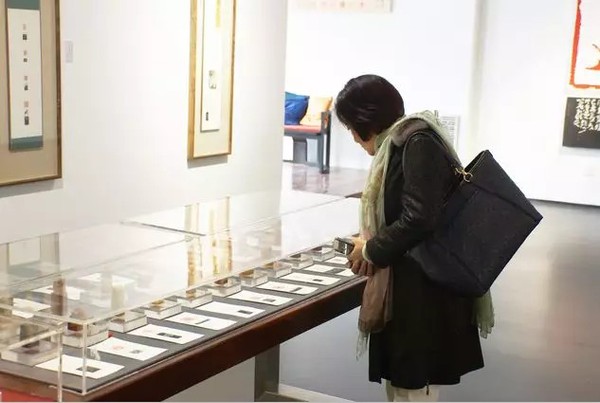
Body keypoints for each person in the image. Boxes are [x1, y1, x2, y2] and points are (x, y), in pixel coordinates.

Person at [335, 74, 494, 402]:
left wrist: (371, 250)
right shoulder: (402, 143)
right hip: (412, 286)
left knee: (414, 389)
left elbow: (420, 219)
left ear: (365, 121)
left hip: (425, 294)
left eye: (351, 126)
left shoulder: (417, 143)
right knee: (405, 387)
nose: (353, 137)